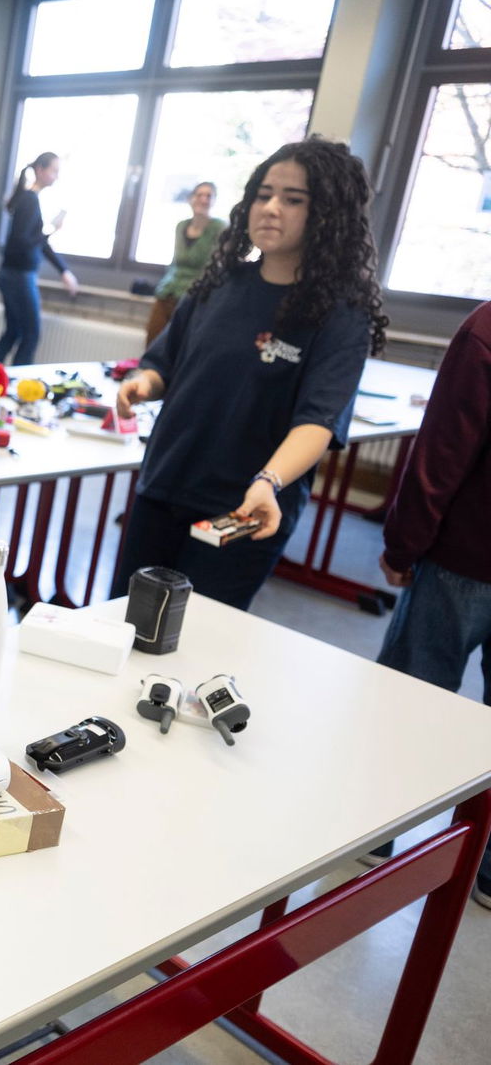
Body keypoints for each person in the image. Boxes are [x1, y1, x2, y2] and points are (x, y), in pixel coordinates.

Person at [111, 138, 387, 610]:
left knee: (195, 635)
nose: (271, 208)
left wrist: (269, 481)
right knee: (124, 620)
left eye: (293, 199)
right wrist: (143, 383)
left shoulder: (341, 316)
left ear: (327, 215)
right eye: (263, 195)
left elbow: (318, 422)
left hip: (243, 507)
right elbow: (163, 364)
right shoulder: (218, 284)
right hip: (165, 485)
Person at [371, 300, 491, 904]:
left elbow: (441, 455)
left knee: (411, 699)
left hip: (465, 559)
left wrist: (403, 544)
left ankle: (373, 833)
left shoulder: (486, 331)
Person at [0, 151, 79, 367]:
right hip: (18, 276)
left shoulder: (29, 199)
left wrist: (64, 271)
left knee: (14, 331)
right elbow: (22, 241)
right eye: (54, 171)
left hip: (14, 275)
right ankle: (18, 381)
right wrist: (52, 229)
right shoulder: (29, 200)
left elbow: (38, 243)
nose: (56, 176)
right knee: (31, 334)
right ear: (40, 170)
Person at [146, 181, 225, 345]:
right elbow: (174, 263)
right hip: (168, 292)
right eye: (199, 195)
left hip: (195, 298)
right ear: (191, 198)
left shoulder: (220, 227)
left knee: (181, 347)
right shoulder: (181, 226)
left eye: (208, 196)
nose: (203, 199)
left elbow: (217, 267)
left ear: (214, 201)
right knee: (153, 341)